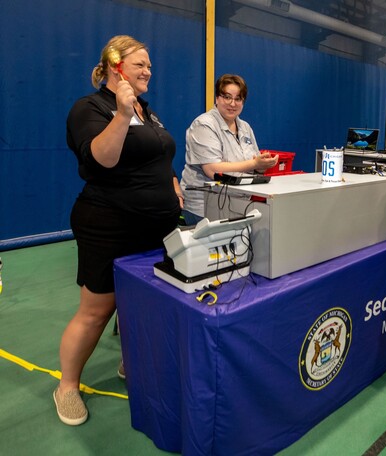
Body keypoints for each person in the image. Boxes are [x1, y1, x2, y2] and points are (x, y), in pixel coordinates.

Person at [55, 35, 182, 425]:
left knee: (143, 299)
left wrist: (173, 184)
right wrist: (123, 115)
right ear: (116, 66)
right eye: (140, 64)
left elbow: (159, 154)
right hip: (109, 224)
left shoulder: (146, 109)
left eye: (149, 65)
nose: (148, 71)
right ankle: (68, 387)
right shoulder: (90, 108)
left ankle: (133, 363)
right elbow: (102, 159)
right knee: (97, 310)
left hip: (155, 226)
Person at [179, 74, 278, 224]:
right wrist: (254, 164)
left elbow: (253, 165)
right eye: (227, 97)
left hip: (239, 205)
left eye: (238, 98)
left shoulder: (245, 127)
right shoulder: (204, 124)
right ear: (217, 98)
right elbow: (213, 170)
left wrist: (262, 166)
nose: (232, 103)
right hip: (204, 207)